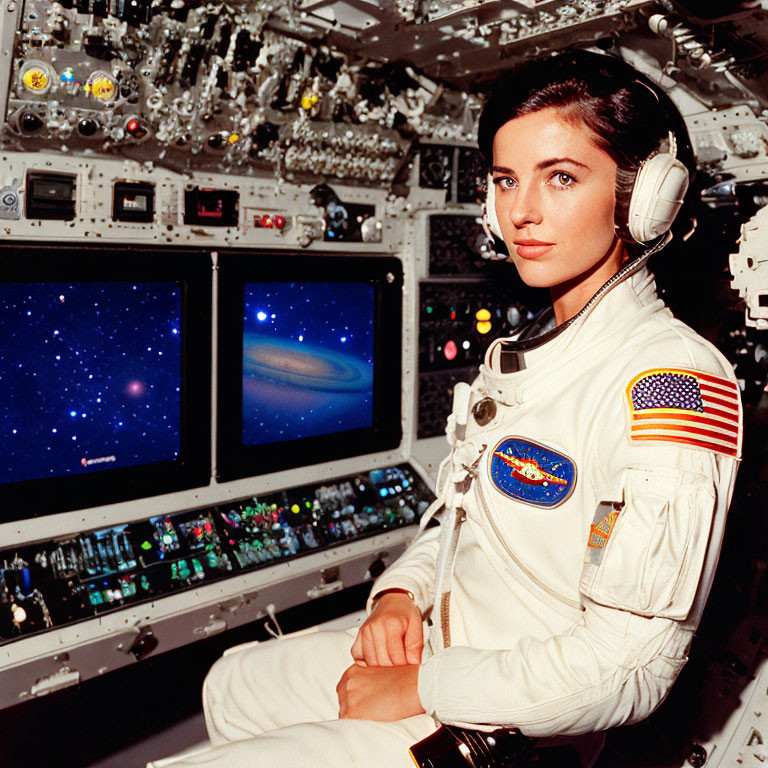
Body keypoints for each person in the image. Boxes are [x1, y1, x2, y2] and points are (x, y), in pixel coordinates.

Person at [148, 49, 742, 768]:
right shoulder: (536, 349)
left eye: (560, 178)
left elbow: (628, 673)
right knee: (234, 683)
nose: (520, 211)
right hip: (447, 642)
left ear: (643, 198)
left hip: (512, 723)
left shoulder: (671, 383)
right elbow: (465, 516)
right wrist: (401, 593)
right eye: (504, 180)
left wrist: (423, 687)